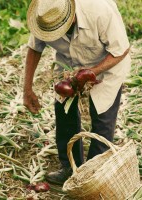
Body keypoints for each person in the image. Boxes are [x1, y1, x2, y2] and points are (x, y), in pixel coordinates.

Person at [24, 0, 131, 185]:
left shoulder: (100, 11)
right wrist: (27, 89)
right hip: (68, 66)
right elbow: (34, 48)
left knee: (102, 117)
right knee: (64, 112)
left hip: (105, 66)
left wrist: (91, 72)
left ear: (71, 15)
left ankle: (94, 174)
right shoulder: (43, 17)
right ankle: (69, 168)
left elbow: (120, 50)